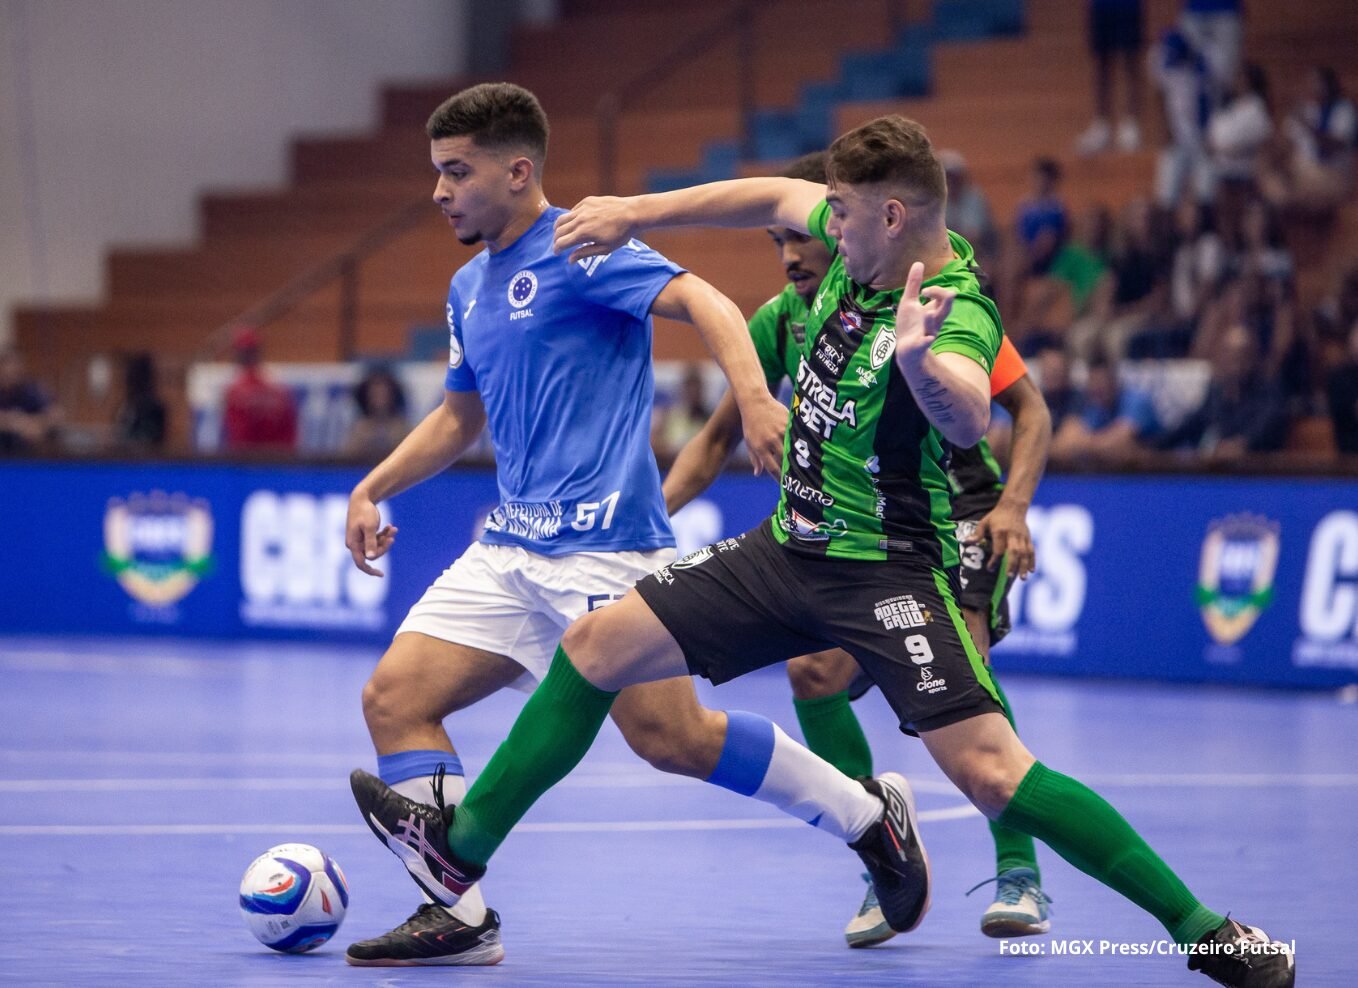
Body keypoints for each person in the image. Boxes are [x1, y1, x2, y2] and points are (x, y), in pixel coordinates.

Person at [351, 114, 1295, 986]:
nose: (816, 234)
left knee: (994, 773)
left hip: (888, 572)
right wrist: (637, 209)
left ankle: (1207, 932)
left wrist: (924, 365)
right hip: (785, 549)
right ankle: (460, 851)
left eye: (836, 216)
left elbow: (970, 413)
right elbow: (763, 193)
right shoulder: (854, 249)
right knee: (593, 649)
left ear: (892, 215)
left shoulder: (955, 308)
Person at [341, 83, 916, 967]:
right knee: (395, 698)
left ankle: (870, 816)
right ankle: (458, 917)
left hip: (607, 546)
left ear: (518, 171)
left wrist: (757, 402)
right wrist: (373, 486)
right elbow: (461, 421)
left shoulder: (583, 245)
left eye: (457, 172)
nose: (440, 191)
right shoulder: (466, 287)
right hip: (510, 548)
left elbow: (713, 304)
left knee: (672, 740)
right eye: (437, 173)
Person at [661, 150, 1056, 945]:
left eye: (800, 235)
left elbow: (1030, 410)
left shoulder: (934, 300)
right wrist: (643, 521)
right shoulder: (784, 321)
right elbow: (711, 444)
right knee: (811, 673)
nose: (793, 254)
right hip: (859, 528)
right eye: (777, 243)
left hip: (961, 505)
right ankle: (882, 847)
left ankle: (1020, 871)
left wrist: (1013, 504)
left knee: (963, 670)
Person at [1049, 354, 1159, 466]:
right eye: (1093, 381)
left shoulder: (1137, 400)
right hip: (1120, 476)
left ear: (1114, 382)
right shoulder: (1095, 406)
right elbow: (1067, 442)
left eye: (1101, 381)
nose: (1097, 387)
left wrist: (1084, 445)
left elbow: (1119, 441)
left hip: (1163, 471)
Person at [1076, 0, 1145, 155]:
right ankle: (1102, 126)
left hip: (1128, 6)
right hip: (1100, 5)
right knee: (1102, 66)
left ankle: (1131, 124)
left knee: (1130, 63)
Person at [222, 327, 298, 452]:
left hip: (249, 462)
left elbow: (238, 437)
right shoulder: (278, 389)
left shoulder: (236, 391)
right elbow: (290, 435)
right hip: (276, 462)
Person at [650, 362, 712, 466]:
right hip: (670, 467)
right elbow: (654, 443)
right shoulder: (671, 416)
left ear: (702, 391)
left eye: (696, 390)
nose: (693, 394)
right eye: (690, 389)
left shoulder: (710, 419)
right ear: (684, 390)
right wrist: (671, 449)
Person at [343, 365, 410, 458]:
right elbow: (345, 460)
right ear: (366, 395)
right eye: (375, 393)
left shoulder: (403, 429)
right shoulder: (359, 429)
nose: (379, 396)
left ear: (393, 394)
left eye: (384, 392)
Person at [0, 347, 57, 453]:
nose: (9, 375)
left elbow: (54, 414)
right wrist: (11, 422)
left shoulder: (31, 390)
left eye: (13, 371)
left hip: (28, 453)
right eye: (4, 371)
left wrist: (35, 423)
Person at [112, 352, 166, 450]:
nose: (127, 381)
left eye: (132, 377)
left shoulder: (154, 408)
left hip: (144, 459)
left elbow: (151, 439)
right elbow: (119, 433)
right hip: (124, 458)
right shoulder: (125, 406)